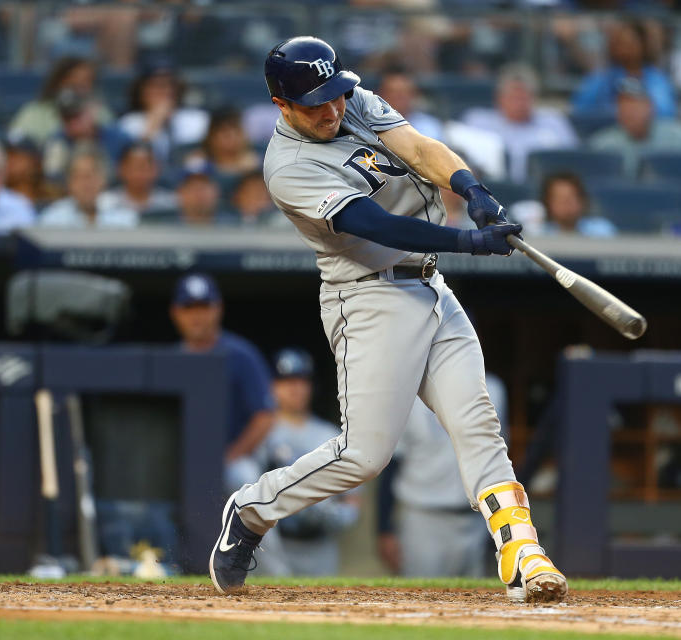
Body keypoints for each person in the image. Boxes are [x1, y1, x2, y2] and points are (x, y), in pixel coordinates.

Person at [210, 36, 567, 604]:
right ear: (282, 105)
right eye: (314, 104)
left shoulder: (347, 100)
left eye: (333, 96)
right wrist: (469, 241)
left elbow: (420, 149)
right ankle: (252, 509)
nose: (331, 111)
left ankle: (523, 554)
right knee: (363, 456)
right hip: (368, 299)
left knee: (478, 424)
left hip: (429, 287)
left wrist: (472, 189)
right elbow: (377, 225)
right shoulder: (287, 167)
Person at [377, 372, 509, 578]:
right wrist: (384, 528)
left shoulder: (494, 388)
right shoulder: (408, 389)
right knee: (420, 601)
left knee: (474, 602)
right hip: (424, 519)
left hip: (475, 519)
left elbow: (498, 461)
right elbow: (392, 464)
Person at [169, 273, 275, 494]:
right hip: (178, 461)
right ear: (176, 313)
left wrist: (231, 456)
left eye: (204, 307)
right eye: (189, 308)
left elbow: (264, 416)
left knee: (247, 480)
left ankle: (264, 530)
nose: (197, 316)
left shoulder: (241, 355)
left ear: (218, 308)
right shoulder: (170, 360)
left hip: (232, 460)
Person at [261, 348, 360, 576]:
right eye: (286, 381)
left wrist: (338, 515)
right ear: (271, 386)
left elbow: (352, 500)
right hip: (272, 543)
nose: (295, 388)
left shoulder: (330, 434)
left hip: (320, 545)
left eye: (301, 381)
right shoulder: (261, 432)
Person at [461, 64, 578, 183]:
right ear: (499, 98)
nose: (520, 103)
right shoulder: (477, 121)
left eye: (524, 97)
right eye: (514, 97)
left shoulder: (554, 123)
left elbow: (571, 162)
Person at [573, 20, 679, 118]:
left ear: (643, 45)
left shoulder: (656, 79)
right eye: (619, 43)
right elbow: (580, 109)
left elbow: (666, 113)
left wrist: (636, 114)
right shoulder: (601, 78)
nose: (625, 49)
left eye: (630, 44)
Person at [589, 77, 681, 175]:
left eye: (635, 105)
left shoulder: (677, 137)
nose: (629, 112)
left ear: (651, 107)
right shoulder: (602, 145)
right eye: (623, 106)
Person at [8, 57, 113, 148]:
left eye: (86, 81)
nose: (80, 87)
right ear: (58, 82)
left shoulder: (101, 113)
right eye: (74, 81)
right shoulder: (33, 113)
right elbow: (16, 144)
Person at [118, 63, 209, 167]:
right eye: (156, 86)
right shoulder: (129, 123)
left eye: (169, 85)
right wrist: (154, 124)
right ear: (141, 90)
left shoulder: (199, 119)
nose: (164, 92)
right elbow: (132, 165)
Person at [41, 89, 130, 184]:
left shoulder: (118, 139)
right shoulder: (57, 141)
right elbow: (52, 179)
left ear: (93, 111)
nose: (71, 124)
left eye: (75, 116)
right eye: (66, 118)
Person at [39, 145, 137, 228]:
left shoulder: (123, 213)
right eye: (78, 177)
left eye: (90, 176)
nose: (85, 184)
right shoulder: (53, 217)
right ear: (69, 183)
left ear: (103, 179)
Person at [101, 141, 178, 217]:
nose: (139, 173)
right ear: (121, 168)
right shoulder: (105, 203)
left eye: (144, 167)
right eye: (134, 167)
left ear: (156, 169)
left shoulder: (170, 204)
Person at [530, 172, 617, 237]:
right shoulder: (538, 234)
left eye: (571, 198)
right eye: (560, 198)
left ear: (582, 200)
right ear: (547, 203)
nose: (566, 203)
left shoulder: (603, 230)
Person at [186, 107, 259, 178]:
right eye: (225, 132)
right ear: (211, 136)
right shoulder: (198, 163)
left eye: (236, 131)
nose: (232, 137)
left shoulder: (255, 165)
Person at [376, 68, 444, 141]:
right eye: (392, 92)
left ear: (414, 95)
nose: (398, 98)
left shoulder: (429, 125)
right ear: (380, 95)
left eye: (403, 93)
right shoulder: (366, 125)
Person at [171, 161, 232, 226]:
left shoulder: (233, 226)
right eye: (192, 186)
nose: (198, 192)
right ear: (180, 192)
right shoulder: (165, 228)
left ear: (217, 191)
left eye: (204, 186)